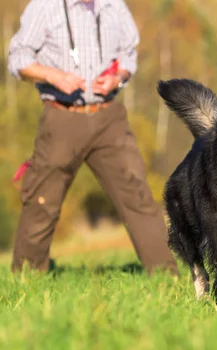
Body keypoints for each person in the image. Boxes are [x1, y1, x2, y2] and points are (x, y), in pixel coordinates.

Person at [8, 0, 178, 276]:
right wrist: (53, 76)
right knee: (42, 200)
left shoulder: (114, 6)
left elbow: (128, 55)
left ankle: (166, 276)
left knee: (138, 196)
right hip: (61, 116)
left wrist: (118, 78)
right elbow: (18, 58)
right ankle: (26, 278)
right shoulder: (44, 6)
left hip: (109, 117)